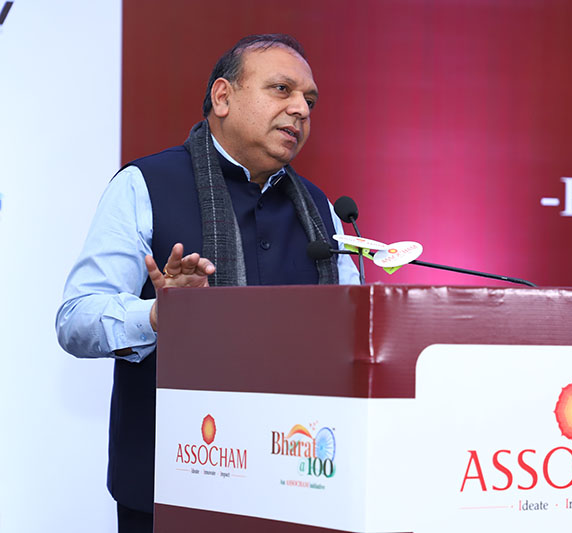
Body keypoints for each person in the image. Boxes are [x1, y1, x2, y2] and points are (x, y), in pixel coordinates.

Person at [56, 34, 359, 533]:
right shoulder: (144, 185)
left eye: (310, 100)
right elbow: (75, 320)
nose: (301, 109)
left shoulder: (321, 210)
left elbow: (350, 334)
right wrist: (157, 315)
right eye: (281, 89)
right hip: (171, 492)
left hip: (298, 491)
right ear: (223, 97)